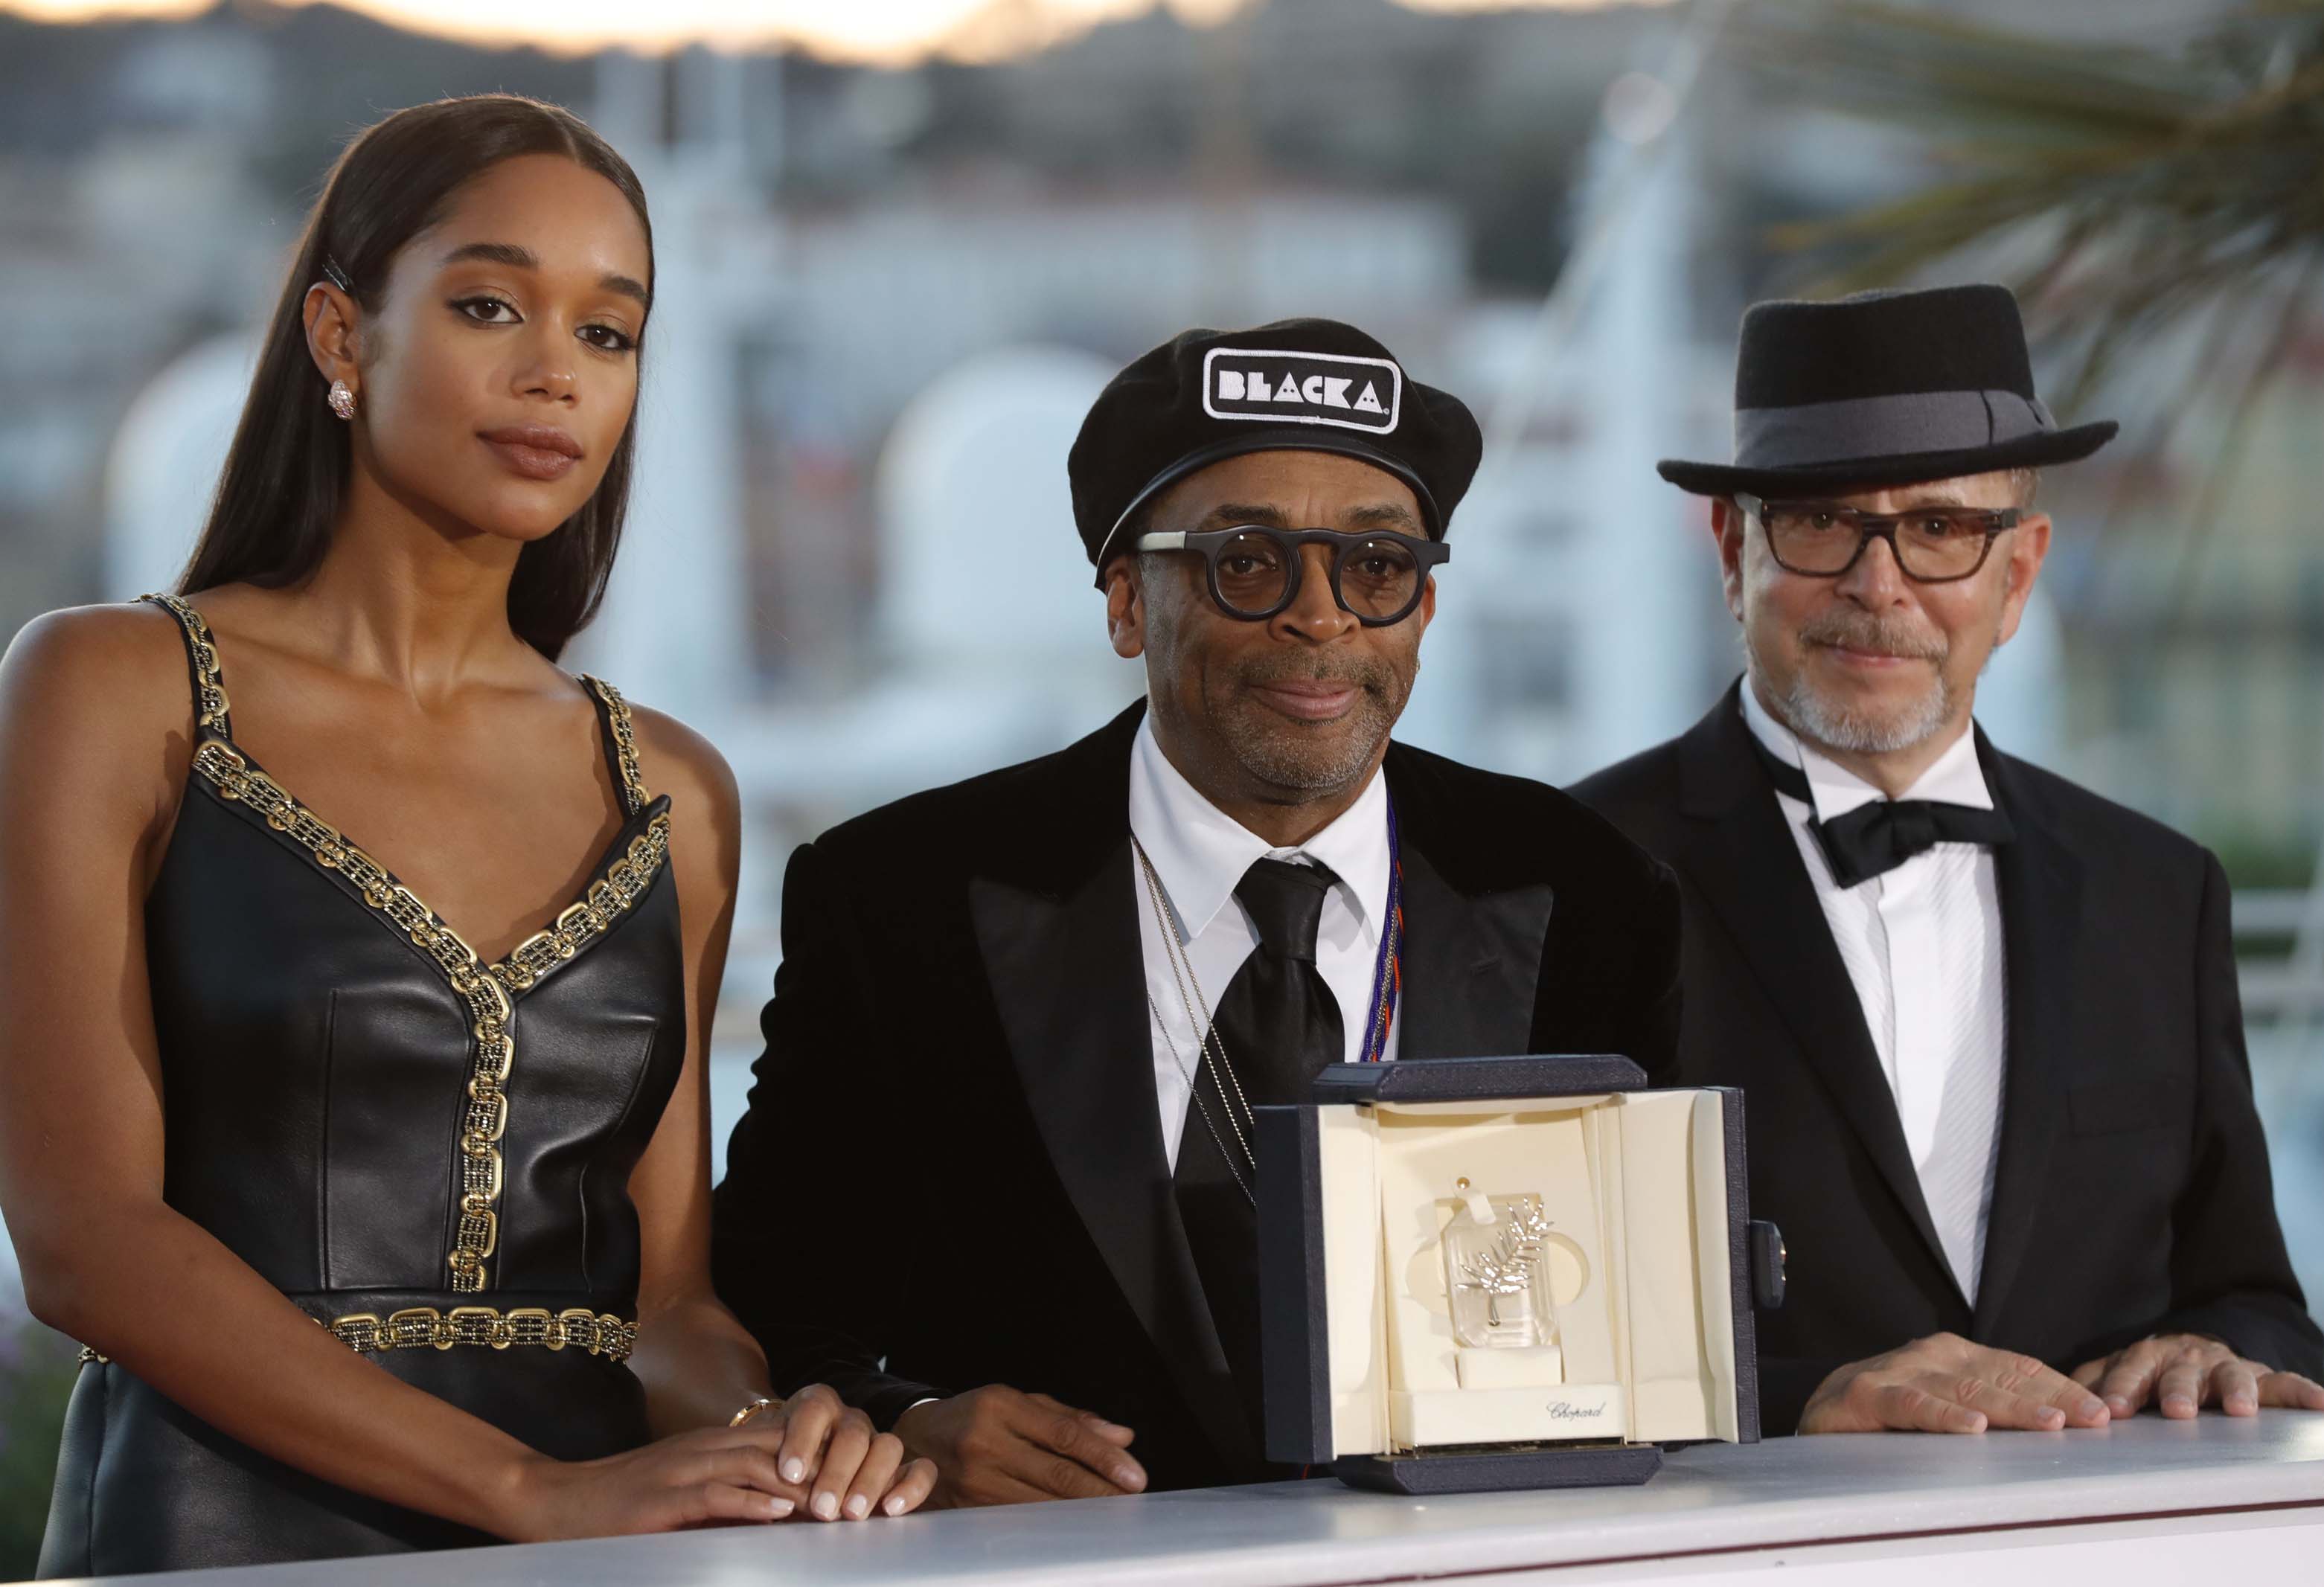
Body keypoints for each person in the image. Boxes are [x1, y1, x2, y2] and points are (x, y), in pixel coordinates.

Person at [0, 96, 930, 1576]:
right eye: (490, 304)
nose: (553, 372)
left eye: (609, 332)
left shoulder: (670, 789)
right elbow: (85, 1239)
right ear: (338, 336)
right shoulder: (112, 689)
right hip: (221, 1530)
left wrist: (788, 1430)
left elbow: (667, 1301)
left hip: (601, 1543)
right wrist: (519, 1487)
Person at [712, 318, 1682, 1504]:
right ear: (1128, 603)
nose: (1322, 618)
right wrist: (902, 1423)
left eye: (1376, 568)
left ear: (1423, 611)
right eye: (1249, 563)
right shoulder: (902, 901)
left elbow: (1659, 1313)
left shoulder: (1586, 884)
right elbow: (761, 1300)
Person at [1571, 283, 2324, 1438]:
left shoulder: (2160, 892)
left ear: (2017, 575)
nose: (1880, 587)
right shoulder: (1555, 880)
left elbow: (2257, 1302)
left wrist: (2217, 1347)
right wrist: (1798, 1402)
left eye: (1939, 529)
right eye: (1823, 522)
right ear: (1734, 553)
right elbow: (1499, 1336)